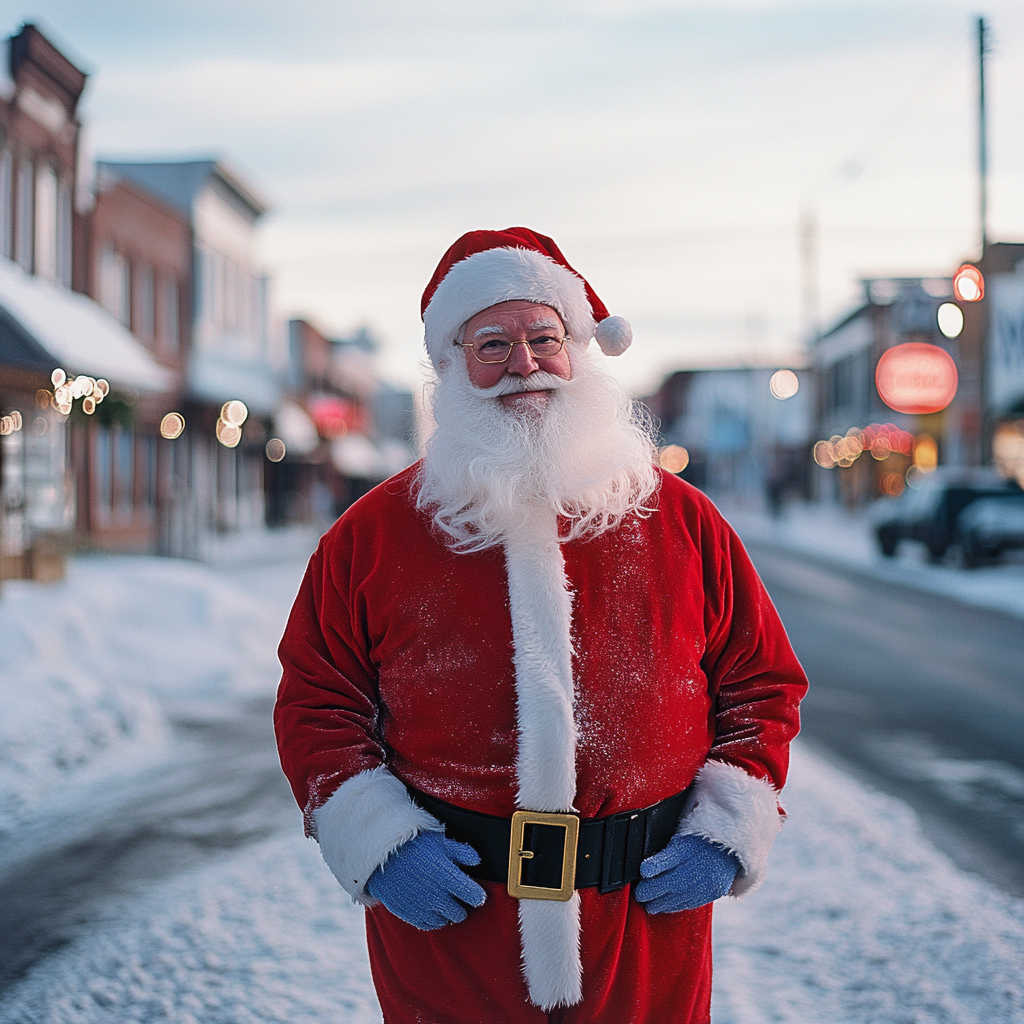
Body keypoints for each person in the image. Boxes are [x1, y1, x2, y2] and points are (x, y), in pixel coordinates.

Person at [274, 227, 807, 1024]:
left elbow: (762, 685)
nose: (522, 364)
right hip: (455, 921)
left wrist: (728, 827)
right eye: (492, 343)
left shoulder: (682, 522)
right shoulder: (372, 535)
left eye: (542, 338)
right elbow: (318, 701)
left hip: (647, 917)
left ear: (578, 351)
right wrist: (378, 842)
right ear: (451, 364)